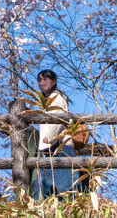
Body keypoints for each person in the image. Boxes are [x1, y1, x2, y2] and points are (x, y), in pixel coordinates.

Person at [33, 69, 77, 198]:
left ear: (54, 82)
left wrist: (47, 141)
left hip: (58, 145)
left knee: (62, 183)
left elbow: (55, 120)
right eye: (40, 80)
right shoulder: (51, 99)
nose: (42, 83)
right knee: (60, 182)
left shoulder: (55, 98)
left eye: (45, 79)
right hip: (58, 145)